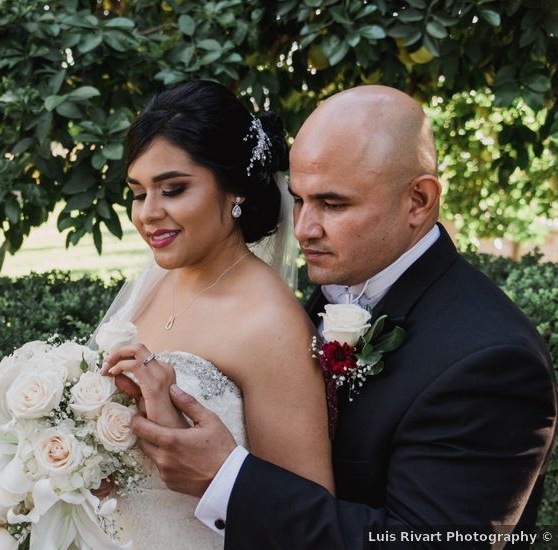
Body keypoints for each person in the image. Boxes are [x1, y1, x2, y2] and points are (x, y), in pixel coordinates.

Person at [124, 85, 558, 549]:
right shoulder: (333, 290)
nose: (305, 228)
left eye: (333, 204)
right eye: (299, 199)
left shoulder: (491, 361)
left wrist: (226, 478)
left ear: (418, 201)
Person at [93, 79, 333, 549]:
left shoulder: (272, 324)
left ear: (235, 190)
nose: (148, 214)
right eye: (139, 193)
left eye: (174, 189)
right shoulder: (156, 282)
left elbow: (303, 515)